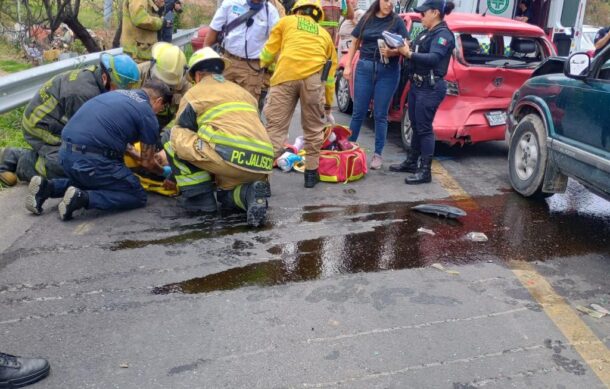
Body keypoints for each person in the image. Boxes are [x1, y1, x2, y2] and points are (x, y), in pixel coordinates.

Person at [25, 80, 170, 221]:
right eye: (161, 108)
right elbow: (147, 163)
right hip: (92, 160)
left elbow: (119, 140)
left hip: (64, 154)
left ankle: (47, 188)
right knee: (137, 195)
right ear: (158, 101)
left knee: (97, 181)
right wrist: (165, 172)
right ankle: (82, 199)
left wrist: (137, 155)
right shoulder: (146, 113)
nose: (158, 112)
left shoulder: (116, 94)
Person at [165, 48, 273, 227]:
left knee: (173, 134)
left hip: (229, 158)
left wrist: (174, 175)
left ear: (198, 75)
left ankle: (200, 200)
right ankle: (249, 194)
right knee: (226, 195)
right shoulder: (243, 92)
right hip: (263, 163)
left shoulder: (194, 93)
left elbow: (183, 133)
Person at [0, 53, 140, 188]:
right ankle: (23, 162)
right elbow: (88, 134)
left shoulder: (97, 80)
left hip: (60, 121)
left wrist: (127, 147)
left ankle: (19, 156)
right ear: (105, 78)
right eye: (120, 89)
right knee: (74, 166)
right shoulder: (83, 94)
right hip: (40, 126)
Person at [260, 0, 337, 188]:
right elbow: (330, 75)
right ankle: (311, 174)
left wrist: (262, 67)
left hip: (284, 78)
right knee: (313, 130)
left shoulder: (286, 22)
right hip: (313, 81)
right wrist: (327, 106)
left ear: (296, 10)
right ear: (318, 14)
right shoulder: (324, 35)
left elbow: (268, 53)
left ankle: (262, 182)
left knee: (275, 129)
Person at [389, 0, 455, 184]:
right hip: (418, 86)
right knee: (416, 126)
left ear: (435, 12)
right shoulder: (427, 33)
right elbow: (418, 50)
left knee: (425, 129)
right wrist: (405, 46)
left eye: (423, 13)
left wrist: (408, 53)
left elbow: (434, 58)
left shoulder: (443, 35)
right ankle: (412, 162)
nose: (421, 16)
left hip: (430, 87)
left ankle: (425, 171)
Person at [343, 0, 409, 170]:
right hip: (365, 67)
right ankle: (348, 147)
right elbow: (355, 41)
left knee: (380, 114)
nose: (389, 4)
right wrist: (348, 65)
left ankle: (378, 154)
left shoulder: (397, 21)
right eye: (386, 0)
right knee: (358, 111)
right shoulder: (367, 18)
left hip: (388, 71)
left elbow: (406, 46)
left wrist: (392, 51)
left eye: (392, 1)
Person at [204, 0, 280, 102]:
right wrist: (204, 61)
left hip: (252, 68)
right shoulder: (230, 3)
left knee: (247, 107)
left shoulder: (270, 12)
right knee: (218, 102)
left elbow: (276, 42)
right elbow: (213, 31)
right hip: (226, 62)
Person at [138, 42, 189, 130]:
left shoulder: (187, 85)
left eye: (169, 84)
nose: (163, 86)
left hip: (168, 122)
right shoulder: (138, 73)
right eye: (159, 80)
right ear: (153, 64)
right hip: (140, 118)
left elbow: (184, 115)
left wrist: (167, 132)